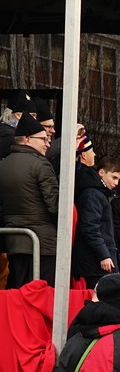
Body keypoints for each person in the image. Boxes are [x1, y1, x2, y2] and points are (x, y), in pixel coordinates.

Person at [0, 113, 58, 287]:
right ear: (27, 139)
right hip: (43, 244)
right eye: (43, 139)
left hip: (14, 241)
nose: (47, 143)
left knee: (18, 291)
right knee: (42, 294)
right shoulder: (41, 164)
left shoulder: (3, 165)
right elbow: (54, 205)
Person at [73, 154, 120, 289]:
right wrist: (104, 255)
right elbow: (90, 228)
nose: (116, 183)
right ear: (101, 172)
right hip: (96, 260)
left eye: (118, 179)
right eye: (114, 177)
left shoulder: (97, 193)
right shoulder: (93, 194)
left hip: (97, 259)